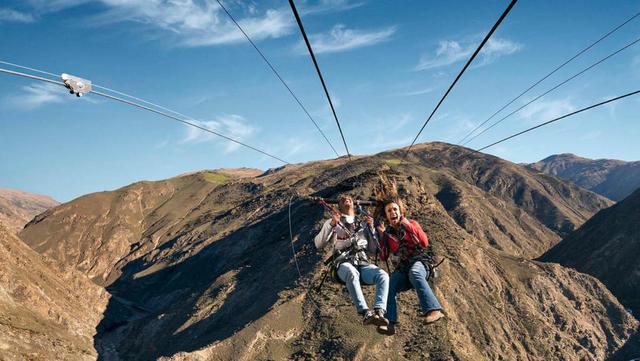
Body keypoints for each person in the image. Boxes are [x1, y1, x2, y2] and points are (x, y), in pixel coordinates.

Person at [314, 195, 390, 327]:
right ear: (338, 206)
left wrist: (372, 229)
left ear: (354, 204)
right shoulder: (334, 222)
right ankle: (366, 312)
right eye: (342, 199)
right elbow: (318, 244)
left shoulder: (363, 224)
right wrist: (332, 224)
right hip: (343, 264)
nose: (346, 199)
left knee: (382, 275)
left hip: (363, 263)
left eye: (348, 198)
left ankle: (379, 311)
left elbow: (372, 250)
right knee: (351, 272)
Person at [376, 199, 444, 335]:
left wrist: (408, 226)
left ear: (400, 212)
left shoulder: (411, 223)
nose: (393, 212)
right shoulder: (387, 234)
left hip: (420, 262)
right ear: (386, 216)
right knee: (388, 283)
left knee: (415, 272)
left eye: (395, 209)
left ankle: (434, 310)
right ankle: (390, 323)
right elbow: (383, 257)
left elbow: (424, 242)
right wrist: (382, 237)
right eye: (389, 211)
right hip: (403, 268)